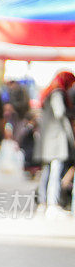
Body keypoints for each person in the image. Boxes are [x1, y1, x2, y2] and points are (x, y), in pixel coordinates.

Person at [37, 71, 75, 215]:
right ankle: (52, 202)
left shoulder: (49, 92)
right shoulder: (58, 93)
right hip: (56, 138)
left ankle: (43, 201)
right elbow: (60, 113)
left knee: (48, 169)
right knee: (55, 170)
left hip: (48, 138)